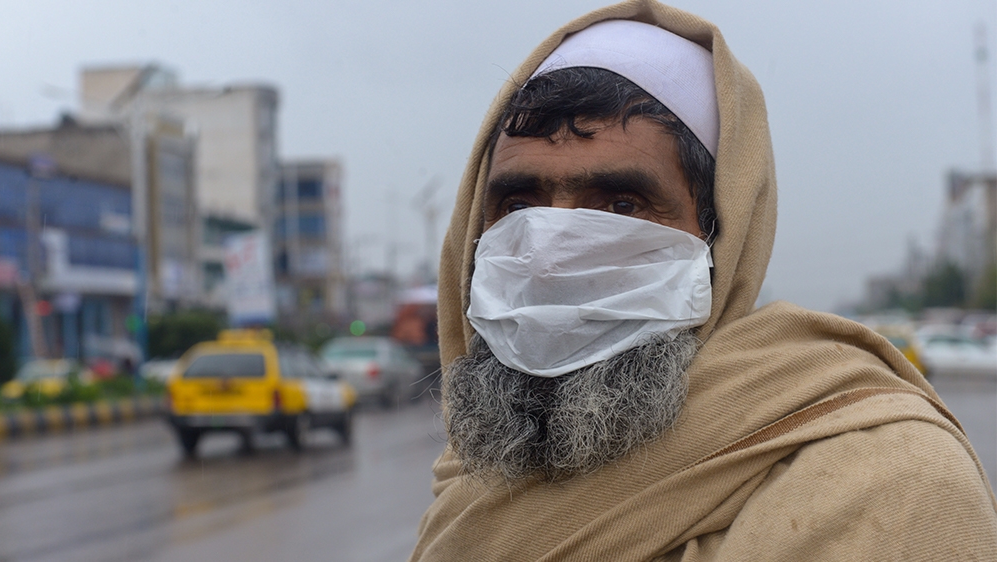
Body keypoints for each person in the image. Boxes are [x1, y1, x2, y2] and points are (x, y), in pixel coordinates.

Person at [410, 1, 997, 560]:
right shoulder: (471, 486)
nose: (547, 254)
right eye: (517, 205)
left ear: (722, 240)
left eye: (619, 205)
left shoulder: (887, 481)